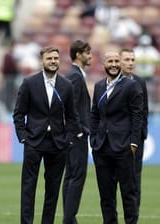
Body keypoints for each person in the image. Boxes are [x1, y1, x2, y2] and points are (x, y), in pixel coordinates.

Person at [13, 46, 81, 224]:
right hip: (34, 142)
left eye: (56, 58)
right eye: (49, 58)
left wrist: (69, 140)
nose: (53, 61)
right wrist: (23, 137)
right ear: (42, 61)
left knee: (53, 190)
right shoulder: (29, 83)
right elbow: (19, 114)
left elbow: (73, 117)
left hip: (58, 144)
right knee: (28, 188)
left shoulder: (66, 85)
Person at [90, 50, 143, 224]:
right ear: (103, 64)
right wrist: (93, 139)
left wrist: (134, 143)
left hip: (124, 147)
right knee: (106, 195)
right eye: (109, 61)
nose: (113, 64)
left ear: (120, 63)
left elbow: (137, 116)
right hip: (102, 148)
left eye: (116, 61)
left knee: (128, 194)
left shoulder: (131, 85)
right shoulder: (98, 86)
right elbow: (95, 115)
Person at [62, 40, 92, 224]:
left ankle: (69, 219)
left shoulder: (76, 74)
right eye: (88, 52)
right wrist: (79, 131)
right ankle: (69, 219)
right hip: (76, 136)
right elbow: (70, 105)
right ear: (79, 54)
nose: (91, 56)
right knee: (77, 176)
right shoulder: (75, 75)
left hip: (72, 135)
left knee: (71, 176)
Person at [120, 48, 149, 218]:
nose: (131, 63)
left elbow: (144, 111)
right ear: (120, 61)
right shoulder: (110, 82)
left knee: (135, 179)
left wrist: (141, 135)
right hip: (115, 139)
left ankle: (133, 217)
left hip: (135, 140)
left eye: (133, 59)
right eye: (127, 59)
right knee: (111, 181)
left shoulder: (140, 82)